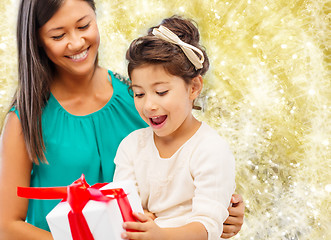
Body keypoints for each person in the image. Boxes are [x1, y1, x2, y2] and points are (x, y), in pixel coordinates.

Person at [0, 0, 244, 239]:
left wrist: (225, 210)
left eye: (84, 26)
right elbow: (7, 227)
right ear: (37, 41)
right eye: (57, 36)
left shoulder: (139, 99)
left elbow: (186, 171)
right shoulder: (25, 120)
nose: (76, 42)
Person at [113, 16, 237, 240]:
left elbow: (207, 227)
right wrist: (138, 218)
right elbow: (122, 210)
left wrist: (159, 234)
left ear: (194, 87)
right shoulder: (131, 146)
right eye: (139, 93)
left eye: (161, 92)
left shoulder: (210, 149)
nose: (149, 105)